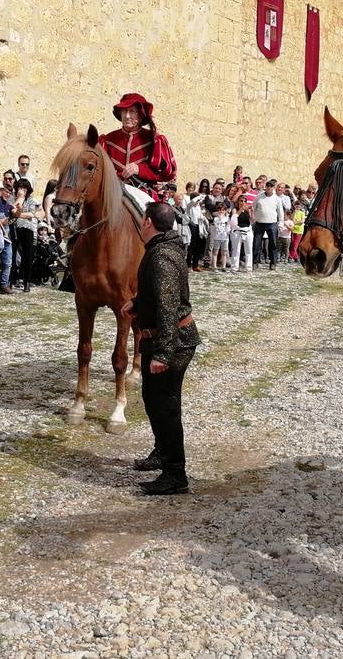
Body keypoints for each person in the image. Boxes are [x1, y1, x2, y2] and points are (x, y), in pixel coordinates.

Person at [124, 200, 200, 496]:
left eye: (142, 218)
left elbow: (168, 306)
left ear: (147, 222)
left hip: (173, 342)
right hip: (162, 338)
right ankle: (162, 452)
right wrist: (138, 303)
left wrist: (163, 354)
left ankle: (175, 474)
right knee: (152, 399)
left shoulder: (162, 255)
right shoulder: (164, 248)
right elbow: (162, 292)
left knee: (166, 407)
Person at [99, 93, 176, 208]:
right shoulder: (107, 140)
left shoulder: (154, 140)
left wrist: (139, 169)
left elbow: (168, 174)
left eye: (132, 111)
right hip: (112, 193)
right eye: (124, 111)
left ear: (141, 115)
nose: (127, 116)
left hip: (144, 195)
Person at [12, 180, 41, 292]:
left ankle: (26, 282)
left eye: (24, 188)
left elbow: (31, 214)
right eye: (20, 187)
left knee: (27, 256)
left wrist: (17, 214)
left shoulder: (31, 200)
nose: (22, 190)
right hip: (14, 228)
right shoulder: (13, 198)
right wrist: (19, 199)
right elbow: (12, 210)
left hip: (27, 229)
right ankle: (12, 280)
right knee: (13, 254)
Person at [0, 178, 16, 294]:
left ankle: (3, 285)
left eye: (9, 192)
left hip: (5, 236)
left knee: (7, 262)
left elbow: (17, 213)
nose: (6, 194)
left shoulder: (6, 204)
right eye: (4, 191)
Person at [252, 178, 283, 268]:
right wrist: (253, 219)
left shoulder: (277, 199)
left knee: (273, 244)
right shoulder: (259, 196)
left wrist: (281, 224)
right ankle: (255, 262)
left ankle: (273, 262)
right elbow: (253, 208)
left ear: (273, 188)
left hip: (272, 223)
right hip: (259, 223)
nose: (269, 187)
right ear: (265, 187)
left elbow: (280, 213)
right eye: (267, 186)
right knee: (256, 243)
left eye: (271, 186)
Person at [229, 195, 253, 271]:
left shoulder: (247, 210)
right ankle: (234, 267)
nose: (243, 202)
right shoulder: (235, 209)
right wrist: (241, 209)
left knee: (249, 250)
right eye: (241, 201)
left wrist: (252, 212)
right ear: (238, 202)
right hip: (237, 231)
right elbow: (233, 219)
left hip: (247, 230)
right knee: (236, 250)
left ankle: (248, 267)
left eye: (245, 201)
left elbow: (252, 220)